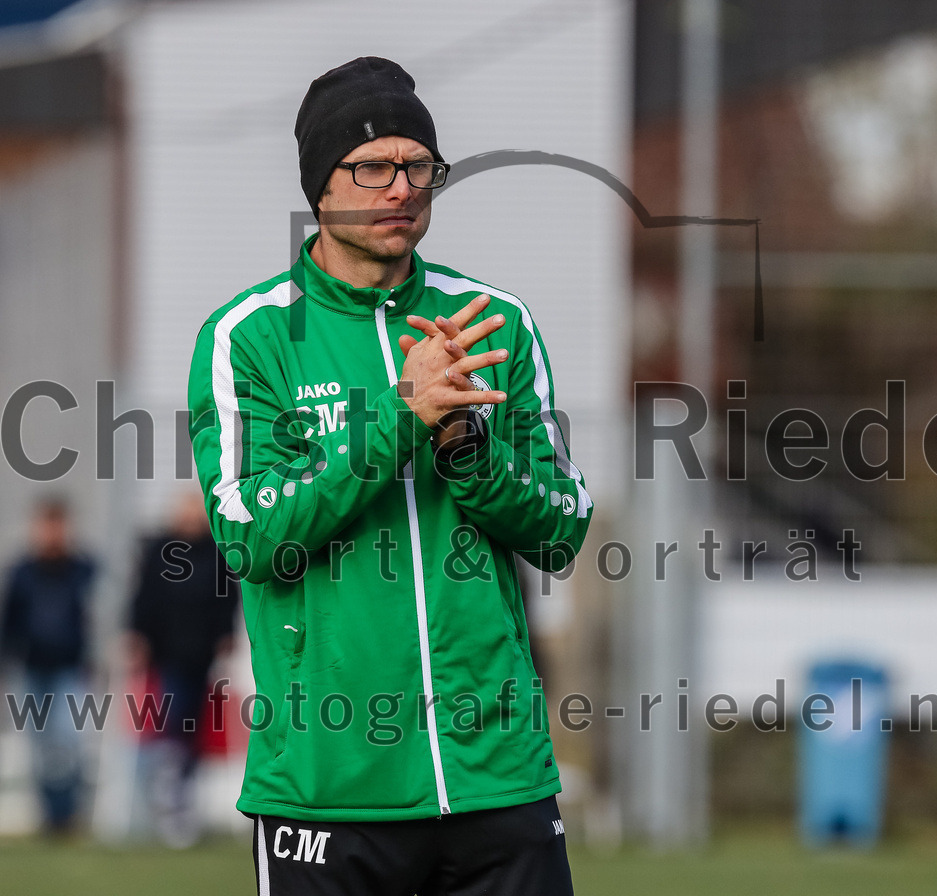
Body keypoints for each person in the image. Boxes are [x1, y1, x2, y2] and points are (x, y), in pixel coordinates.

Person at [188, 56, 593, 895]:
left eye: (418, 166)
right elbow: (253, 538)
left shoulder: (495, 323)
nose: (400, 187)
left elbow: (561, 528)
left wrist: (466, 448)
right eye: (372, 166)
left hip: (498, 777)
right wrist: (398, 418)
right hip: (328, 786)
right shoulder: (249, 337)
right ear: (320, 184)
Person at [125, 490, 240, 846]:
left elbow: (227, 597)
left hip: (202, 656)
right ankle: (164, 796)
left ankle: (176, 794)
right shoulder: (159, 551)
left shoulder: (217, 553)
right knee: (170, 723)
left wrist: (225, 634)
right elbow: (143, 597)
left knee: (192, 729)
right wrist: (137, 634)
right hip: (166, 655)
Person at [0, 498, 96, 833]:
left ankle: (68, 813)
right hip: (31, 669)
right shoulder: (22, 572)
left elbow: (97, 615)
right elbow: (9, 622)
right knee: (39, 745)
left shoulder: (83, 569)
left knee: (67, 741)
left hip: (69, 668)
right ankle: (50, 818)